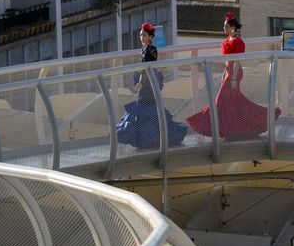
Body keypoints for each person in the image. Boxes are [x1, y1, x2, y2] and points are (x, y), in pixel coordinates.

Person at [187, 12, 279, 139]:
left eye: (226, 26)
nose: (224, 28)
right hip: (228, 72)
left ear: (232, 28)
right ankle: (234, 128)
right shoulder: (227, 41)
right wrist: (225, 74)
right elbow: (227, 61)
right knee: (232, 100)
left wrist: (234, 78)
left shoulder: (238, 42)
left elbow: (237, 60)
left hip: (234, 72)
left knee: (221, 99)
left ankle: (235, 126)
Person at [117, 23, 188, 151]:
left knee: (147, 106)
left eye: (144, 35)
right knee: (147, 107)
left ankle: (151, 137)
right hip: (147, 80)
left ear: (150, 36)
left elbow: (148, 68)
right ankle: (150, 137)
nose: (141, 37)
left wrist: (141, 82)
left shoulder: (151, 49)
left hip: (149, 81)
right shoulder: (144, 49)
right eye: (140, 35)